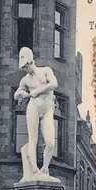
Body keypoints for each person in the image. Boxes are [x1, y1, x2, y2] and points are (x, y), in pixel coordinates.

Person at [14, 47, 59, 182]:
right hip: (33, 108)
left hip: (48, 108)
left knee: (50, 142)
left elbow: (54, 84)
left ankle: (45, 168)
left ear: (31, 62)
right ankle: (34, 170)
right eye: (24, 67)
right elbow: (17, 94)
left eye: (26, 66)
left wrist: (38, 90)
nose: (25, 69)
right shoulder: (25, 80)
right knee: (33, 140)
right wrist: (22, 93)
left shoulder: (45, 71)